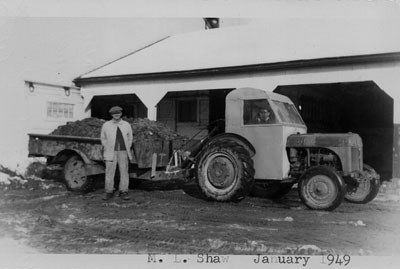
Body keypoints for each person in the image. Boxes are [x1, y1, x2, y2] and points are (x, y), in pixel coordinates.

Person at [100, 106, 133, 200]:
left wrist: (127, 147)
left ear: (121, 114)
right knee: (109, 172)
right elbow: (103, 138)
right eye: (114, 113)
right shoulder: (106, 125)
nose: (116, 115)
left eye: (118, 113)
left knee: (124, 171)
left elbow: (130, 137)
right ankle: (108, 191)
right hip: (110, 152)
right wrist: (107, 147)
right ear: (111, 114)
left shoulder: (126, 125)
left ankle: (124, 191)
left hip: (123, 151)